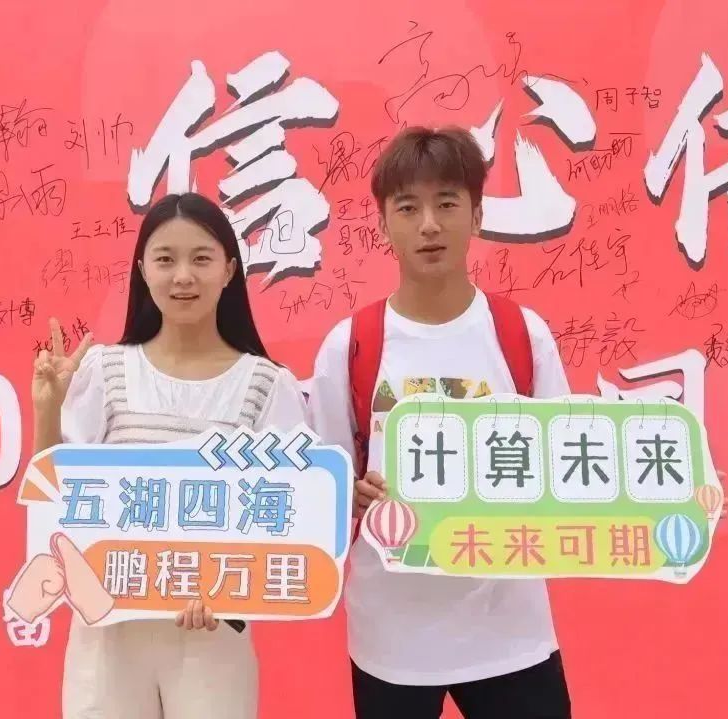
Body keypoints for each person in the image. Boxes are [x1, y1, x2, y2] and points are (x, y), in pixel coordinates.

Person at [306, 126, 574, 718]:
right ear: (383, 225)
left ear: (477, 215)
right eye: (408, 208)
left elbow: (570, 465)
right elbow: (321, 484)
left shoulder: (521, 334)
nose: (428, 225)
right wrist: (351, 494)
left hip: (510, 629)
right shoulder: (350, 345)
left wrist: (675, 497)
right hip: (392, 636)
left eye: (447, 204)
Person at [30, 192, 308, 719]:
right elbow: (54, 502)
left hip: (211, 633)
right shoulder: (106, 371)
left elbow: (293, 519)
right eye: (165, 259)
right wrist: (48, 409)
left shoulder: (267, 385)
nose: (183, 276)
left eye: (201, 258)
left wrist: (232, 593)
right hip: (107, 631)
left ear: (229, 270)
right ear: (142, 270)